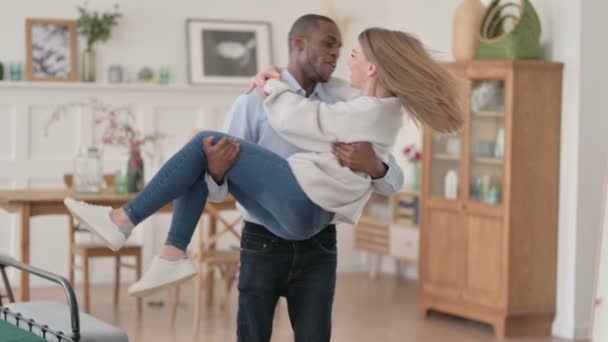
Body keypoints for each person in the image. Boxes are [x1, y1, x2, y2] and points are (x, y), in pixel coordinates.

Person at [64, 21, 462, 338]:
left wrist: (373, 164)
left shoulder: (351, 108)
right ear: (298, 45)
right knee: (206, 155)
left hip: (309, 222)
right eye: (331, 45)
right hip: (268, 234)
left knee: (204, 142)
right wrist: (220, 169)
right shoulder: (360, 102)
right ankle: (170, 255)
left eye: (349, 50)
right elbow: (216, 190)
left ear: (371, 68)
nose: (341, 57)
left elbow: (304, 121)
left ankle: (127, 224)